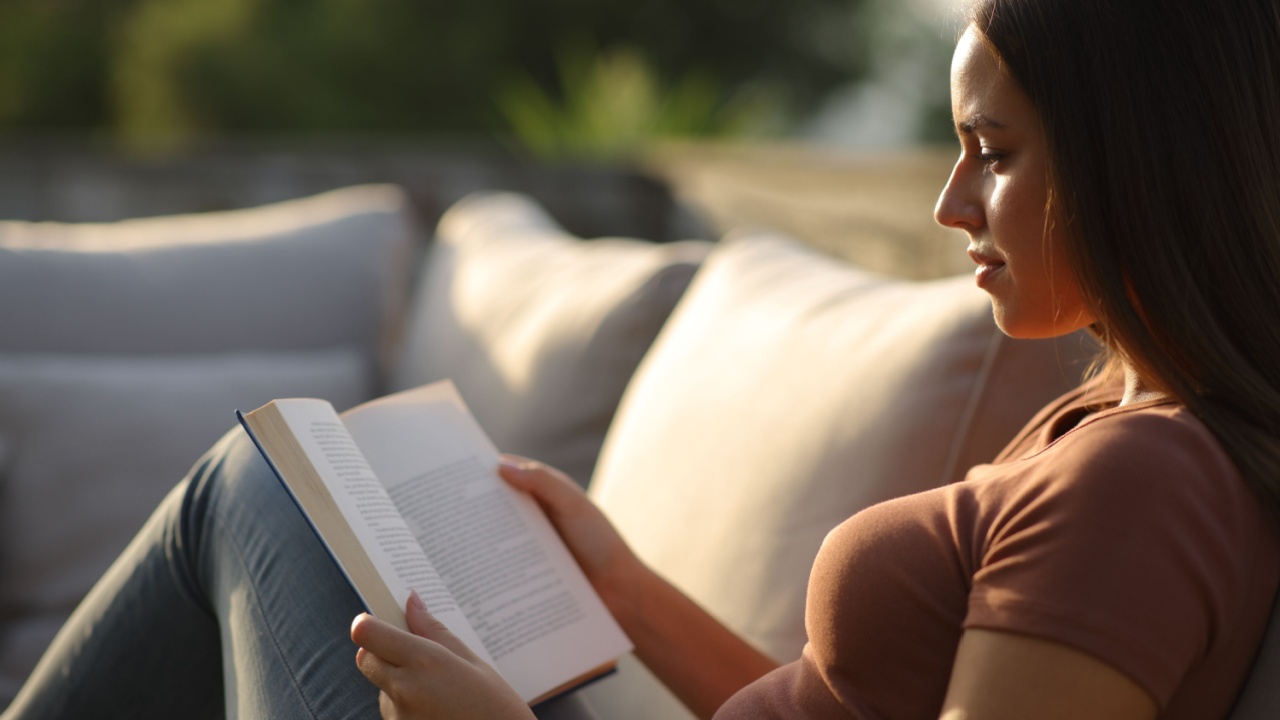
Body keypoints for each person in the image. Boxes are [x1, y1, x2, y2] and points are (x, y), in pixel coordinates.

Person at [7, 0, 1280, 717]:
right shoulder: (1106, 423)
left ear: (1139, 169)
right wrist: (622, 593)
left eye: (992, 153)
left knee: (259, 482)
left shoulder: (1140, 489)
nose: (949, 203)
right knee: (266, 481)